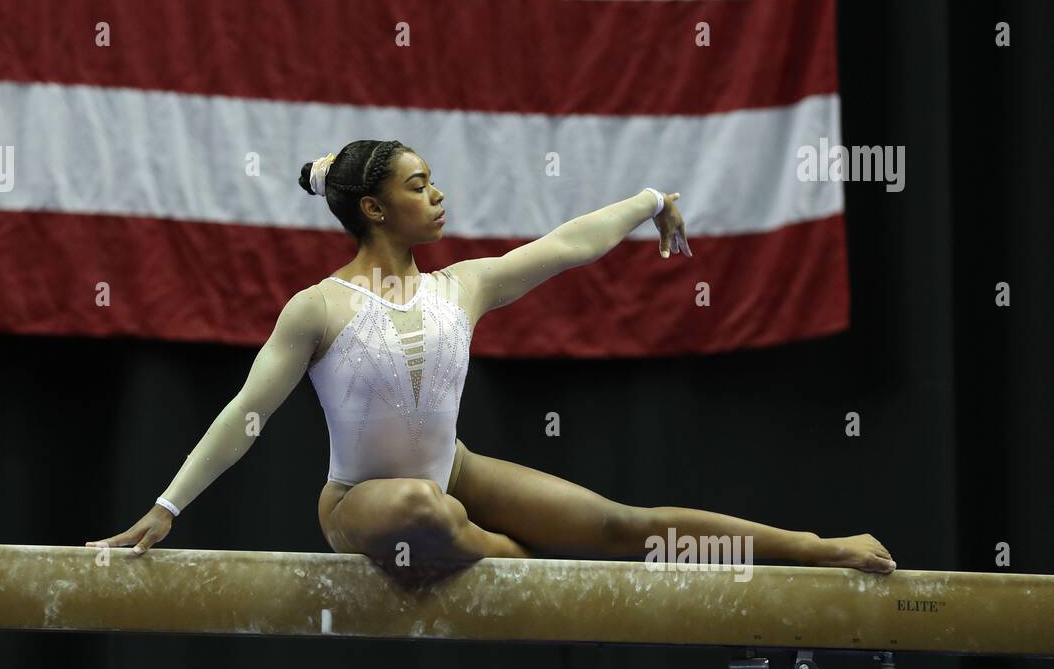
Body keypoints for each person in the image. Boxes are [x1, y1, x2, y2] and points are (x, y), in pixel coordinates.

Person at [88, 140, 896, 585]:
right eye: (419, 184)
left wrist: (652, 201)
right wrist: (168, 506)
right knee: (417, 507)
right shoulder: (317, 307)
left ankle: (815, 546)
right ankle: (515, 555)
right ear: (374, 208)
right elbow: (247, 413)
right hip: (359, 503)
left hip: (457, 472)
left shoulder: (462, 286)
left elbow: (570, 242)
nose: (438, 195)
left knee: (625, 526)